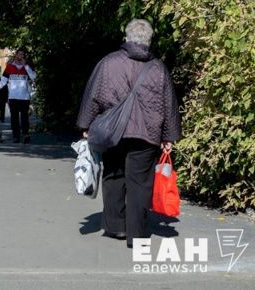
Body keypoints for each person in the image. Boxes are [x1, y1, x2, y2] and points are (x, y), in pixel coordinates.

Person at [76, 19, 181, 248]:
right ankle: (138, 234)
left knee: (113, 175)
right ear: (149, 40)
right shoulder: (158, 68)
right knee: (140, 183)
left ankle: (116, 226)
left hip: (113, 131)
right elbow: (169, 103)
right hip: (147, 133)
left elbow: (93, 95)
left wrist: (86, 125)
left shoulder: (108, 63)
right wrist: (168, 136)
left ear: (126, 37)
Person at [0, 48, 37, 143]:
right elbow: (4, 80)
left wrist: (25, 66)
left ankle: (26, 135)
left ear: (24, 57)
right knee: (14, 118)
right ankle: (16, 136)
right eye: (19, 54)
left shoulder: (27, 66)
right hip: (13, 96)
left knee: (24, 117)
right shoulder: (10, 67)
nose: (20, 56)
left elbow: (33, 77)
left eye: (22, 55)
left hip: (24, 97)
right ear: (16, 55)